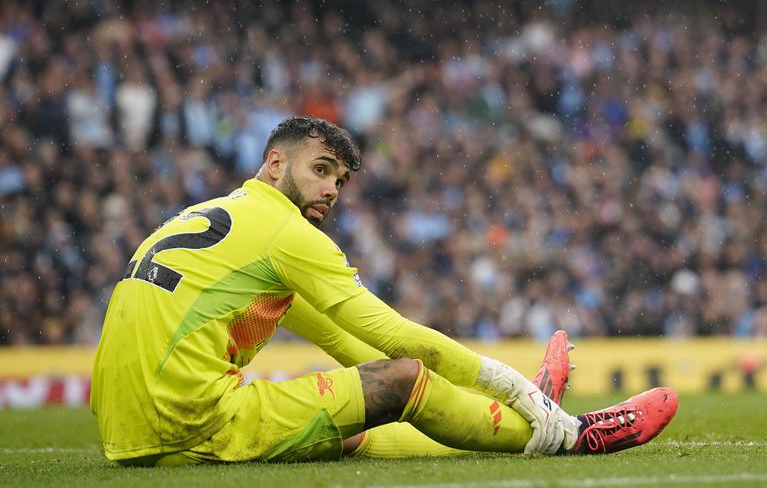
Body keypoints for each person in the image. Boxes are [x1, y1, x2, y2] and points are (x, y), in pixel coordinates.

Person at [91, 116, 678, 465]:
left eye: (340, 180)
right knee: (400, 381)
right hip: (189, 422)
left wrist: (487, 398)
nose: (332, 190)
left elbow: (347, 345)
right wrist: (515, 388)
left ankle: (521, 420)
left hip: (124, 431)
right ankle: (570, 436)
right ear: (273, 164)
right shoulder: (284, 233)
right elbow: (394, 339)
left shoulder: (217, 217)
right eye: (321, 169)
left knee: (360, 416)